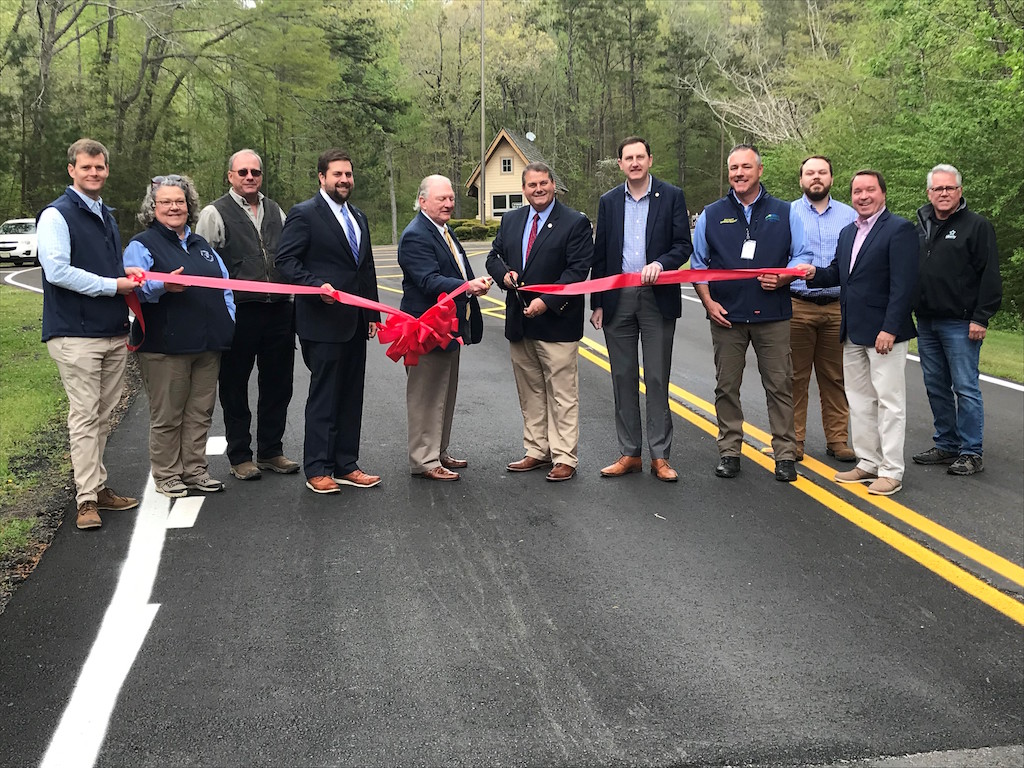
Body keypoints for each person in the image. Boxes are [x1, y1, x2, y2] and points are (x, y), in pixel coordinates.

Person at [37, 138, 144, 530]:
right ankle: (85, 500)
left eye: (99, 167)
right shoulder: (56, 215)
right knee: (84, 415)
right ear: (72, 170)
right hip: (74, 333)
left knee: (102, 415)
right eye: (86, 167)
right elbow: (57, 271)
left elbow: (110, 268)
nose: (94, 172)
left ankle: (97, 487)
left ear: (106, 170)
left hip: (113, 331)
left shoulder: (107, 217)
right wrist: (113, 285)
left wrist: (126, 277)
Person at [691, 144, 813, 482]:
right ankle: (730, 451)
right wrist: (707, 302)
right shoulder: (711, 214)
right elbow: (698, 265)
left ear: (759, 171)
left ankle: (785, 455)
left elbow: (801, 257)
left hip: (772, 315)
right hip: (726, 316)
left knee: (779, 386)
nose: (739, 174)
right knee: (726, 387)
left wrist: (785, 276)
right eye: (734, 169)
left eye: (746, 167)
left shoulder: (786, 212)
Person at [803, 170, 918, 496]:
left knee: (889, 403)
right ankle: (868, 462)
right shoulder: (848, 232)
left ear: (882, 193)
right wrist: (813, 274)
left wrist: (890, 328)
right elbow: (841, 274)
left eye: (870, 190)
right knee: (859, 401)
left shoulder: (899, 230)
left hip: (885, 334)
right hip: (852, 330)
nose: (863, 196)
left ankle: (891, 471)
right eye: (857, 191)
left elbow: (904, 285)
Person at [274, 149, 381, 494]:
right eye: (337, 174)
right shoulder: (304, 214)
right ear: (321, 177)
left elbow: (364, 269)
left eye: (348, 174)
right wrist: (313, 286)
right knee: (324, 396)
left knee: (351, 395)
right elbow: (285, 261)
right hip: (321, 322)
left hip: (354, 323)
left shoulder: (359, 218)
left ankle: (346, 464)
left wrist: (373, 314)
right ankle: (318, 467)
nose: (344, 180)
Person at [123, 175, 236, 499]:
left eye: (180, 201)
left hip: (207, 345)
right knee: (168, 415)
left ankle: (195, 470)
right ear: (153, 207)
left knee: (200, 412)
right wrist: (162, 286)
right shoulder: (141, 245)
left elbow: (225, 286)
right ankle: (168, 475)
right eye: (166, 202)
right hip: (165, 347)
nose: (174, 207)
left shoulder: (202, 246)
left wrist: (228, 320)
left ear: (189, 206)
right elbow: (134, 290)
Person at [590, 136, 692, 482]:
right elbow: (600, 253)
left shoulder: (672, 196)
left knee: (657, 377)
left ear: (650, 160)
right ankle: (629, 452)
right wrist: (598, 302)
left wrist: (662, 264)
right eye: (627, 158)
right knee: (622, 377)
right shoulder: (608, 202)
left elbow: (683, 246)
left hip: (657, 297)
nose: (634, 163)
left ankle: (660, 456)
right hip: (618, 298)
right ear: (620, 164)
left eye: (639, 157)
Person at [485, 162, 593, 482]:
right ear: (524, 189)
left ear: (553, 185)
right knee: (530, 391)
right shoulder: (512, 220)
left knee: (562, 394)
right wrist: (503, 276)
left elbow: (576, 272)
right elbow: (494, 257)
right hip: (520, 322)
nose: (538, 189)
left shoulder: (574, 223)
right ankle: (536, 450)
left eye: (543, 183)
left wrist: (546, 302)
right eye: (532, 185)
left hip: (557, 322)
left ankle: (564, 456)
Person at [196, 149, 298, 482]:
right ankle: (240, 456)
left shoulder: (276, 210)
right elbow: (202, 266)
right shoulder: (214, 213)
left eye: (255, 172)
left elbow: (285, 256)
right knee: (235, 386)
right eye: (242, 172)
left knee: (278, 385)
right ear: (230, 176)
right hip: (239, 312)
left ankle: (271, 451)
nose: (249, 177)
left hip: (279, 310)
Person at [398, 175, 491, 481]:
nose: (449, 203)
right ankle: (424, 460)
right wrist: (467, 286)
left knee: (444, 392)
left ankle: (438, 450)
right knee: (426, 395)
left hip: (447, 329)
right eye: (442, 199)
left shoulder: (442, 230)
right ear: (422, 201)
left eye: (451, 198)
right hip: (426, 329)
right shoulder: (416, 235)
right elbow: (428, 280)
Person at [911, 164, 1002, 476]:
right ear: (929, 193)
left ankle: (971, 451)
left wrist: (981, 317)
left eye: (949, 188)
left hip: (962, 323)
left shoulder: (976, 226)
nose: (944, 193)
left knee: (965, 386)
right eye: (938, 189)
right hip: (926, 320)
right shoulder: (921, 226)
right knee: (936, 386)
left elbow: (990, 275)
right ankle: (947, 444)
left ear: (960, 191)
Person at [789, 156, 858, 462]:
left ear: (831, 177)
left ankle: (838, 439)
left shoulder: (850, 215)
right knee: (794, 377)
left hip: (836, 307)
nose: (816, 177)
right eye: (810, 173)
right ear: (801, 179)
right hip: (796, 305)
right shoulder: (786, 213)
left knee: (835, 377)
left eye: (822, 172)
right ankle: (794, 440)